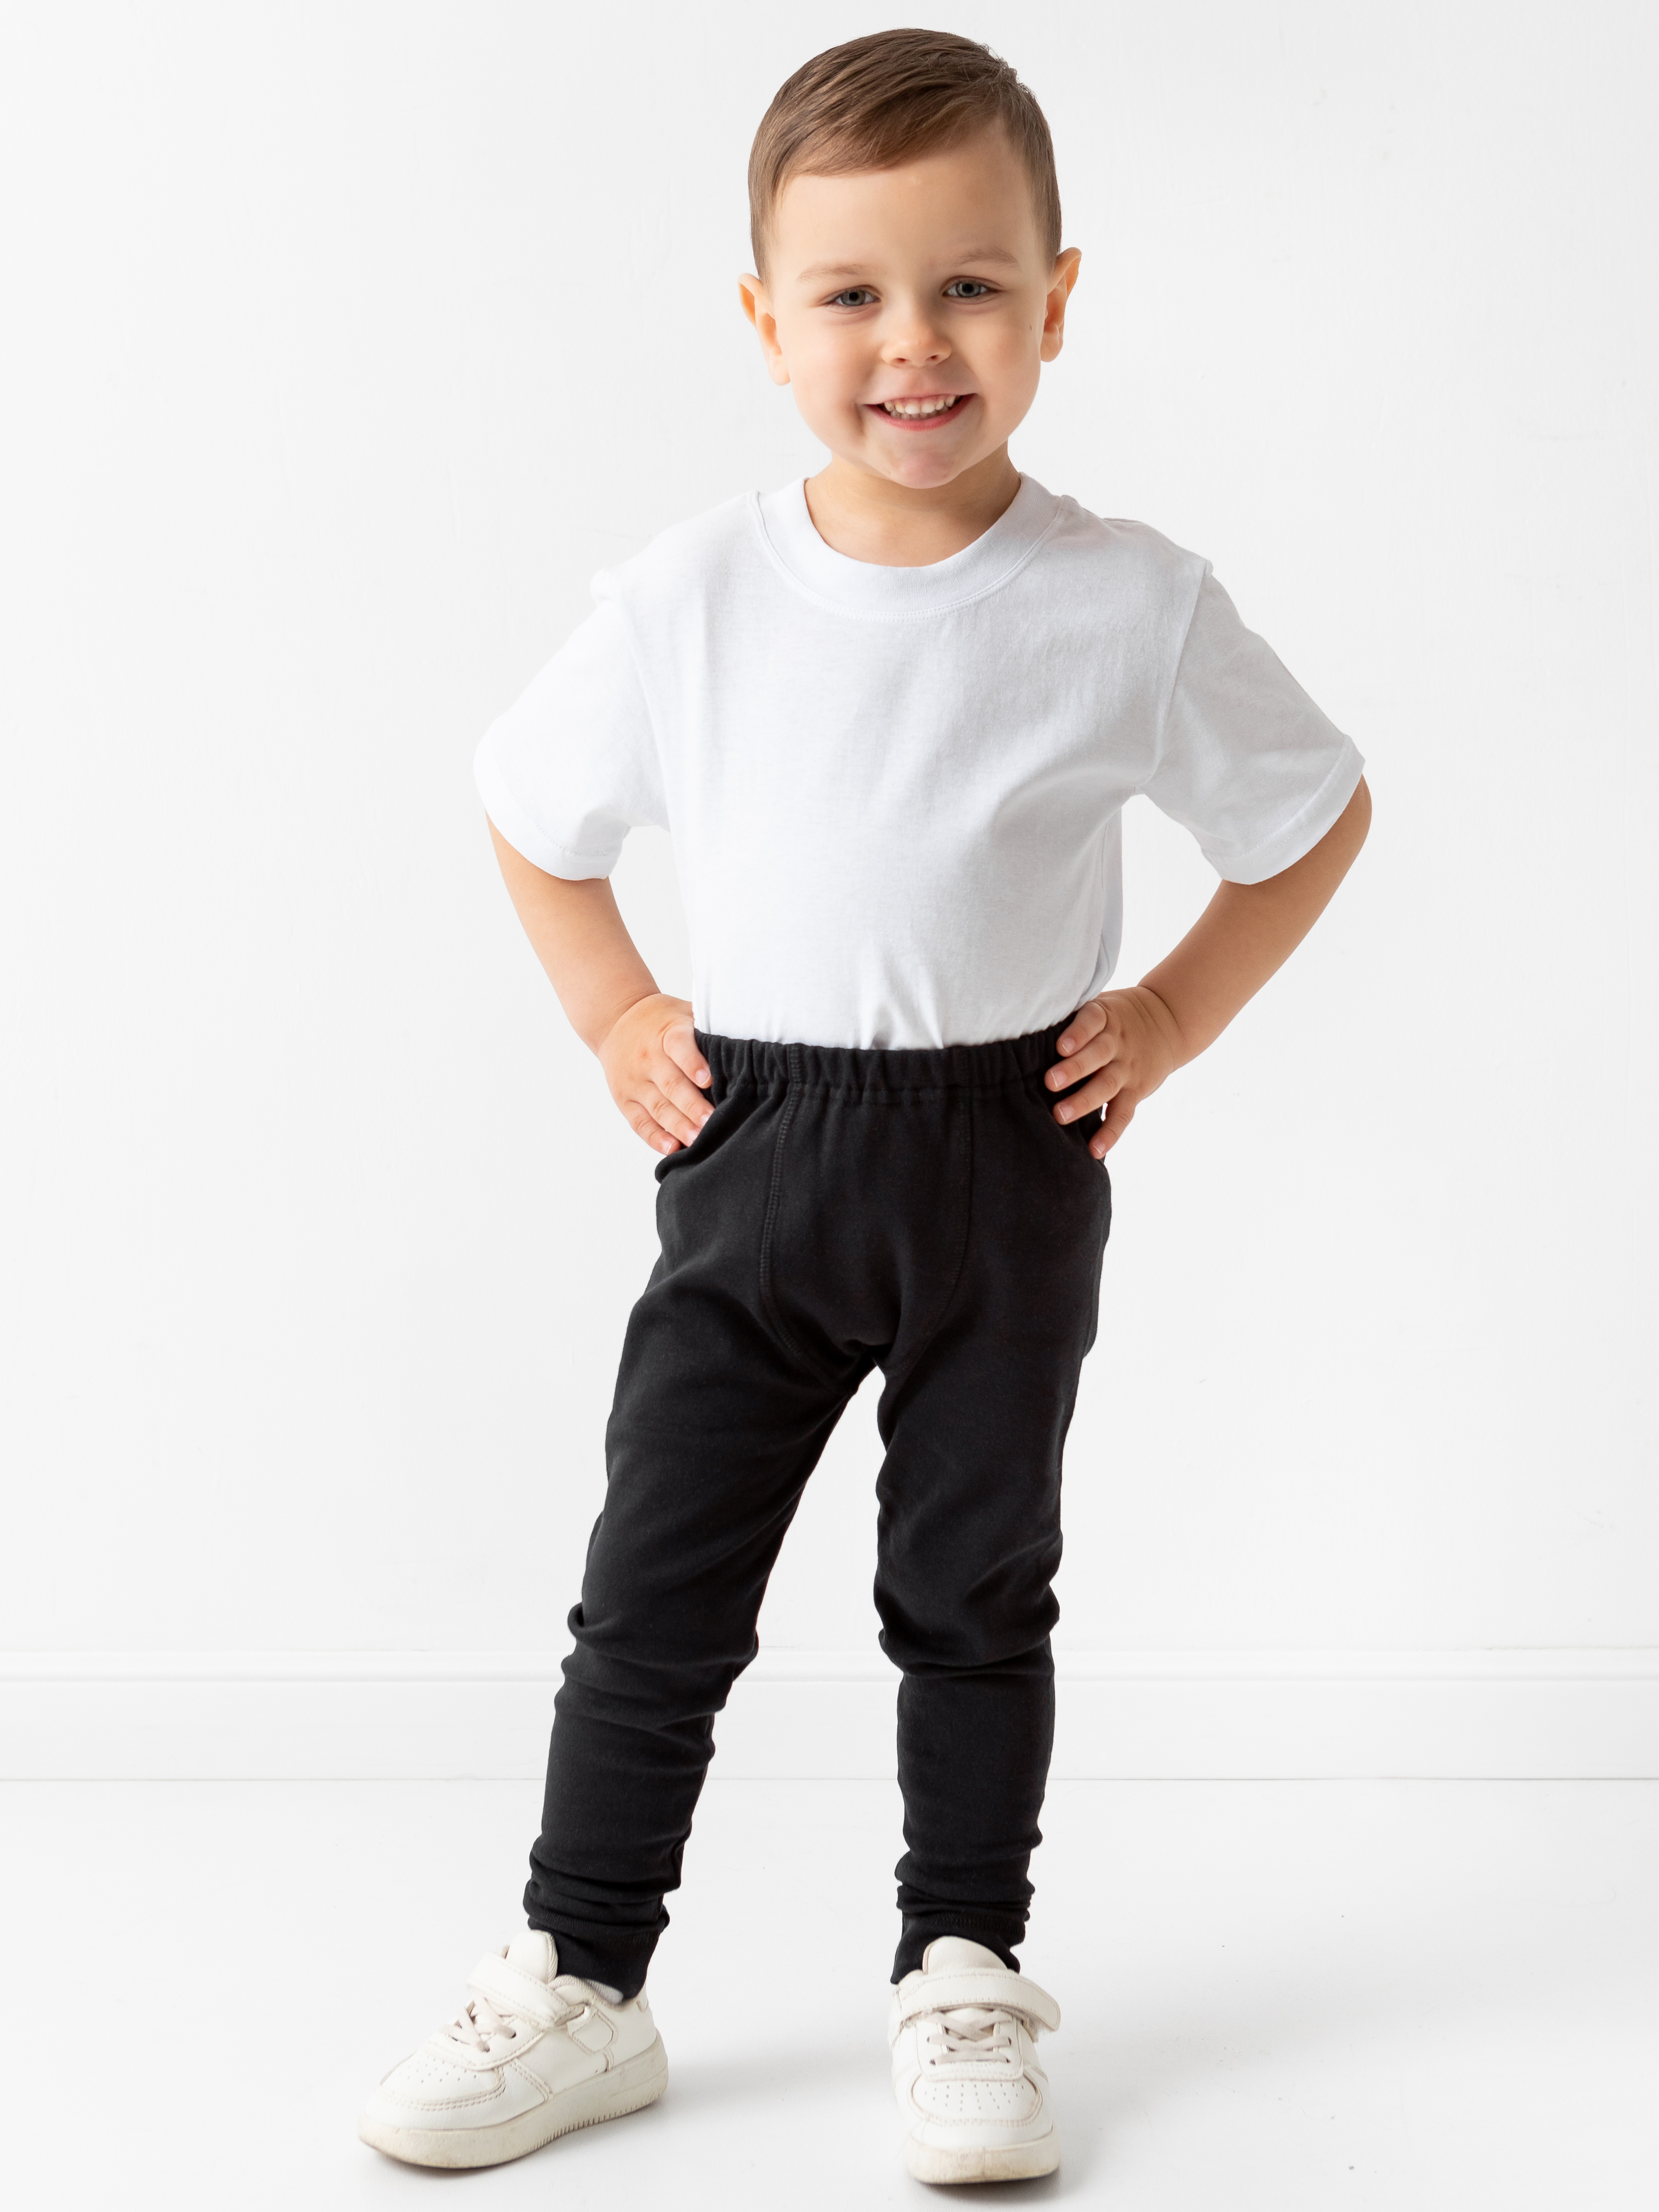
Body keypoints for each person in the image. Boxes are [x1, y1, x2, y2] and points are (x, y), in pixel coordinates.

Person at [359, 26, 1370, 2188]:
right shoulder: (689, 598)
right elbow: (532, 816)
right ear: (765, 321)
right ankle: (581, 1975)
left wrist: (1171, 1014)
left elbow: (1311, 816)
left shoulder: (1129, 601)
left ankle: (963, 1967)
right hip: (757, 1162)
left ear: (1056, 302)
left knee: (975, 1593)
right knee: (655, 1589)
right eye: (852, 295)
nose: (915, 343)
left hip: (1008, 1162)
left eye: (971, 287)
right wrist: (615, 1011)